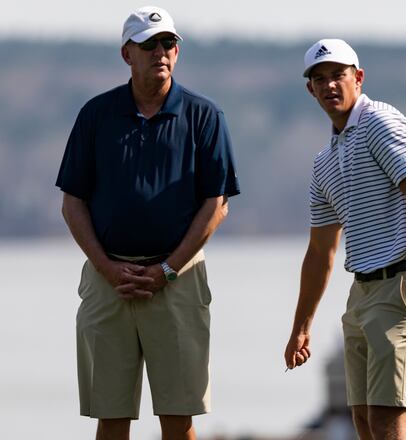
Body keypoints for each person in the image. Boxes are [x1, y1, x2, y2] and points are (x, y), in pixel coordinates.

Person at [55, 6, 240, 440]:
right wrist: (106, 267)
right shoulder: (96, 115)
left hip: (178, 281)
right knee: (111, 416)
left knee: (179, 419)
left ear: (178, 51)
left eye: (168, 44)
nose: (161, 52)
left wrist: (167, 269)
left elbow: (216, 204)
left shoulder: (205, 116)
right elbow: (72, 202)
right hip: (108, 281)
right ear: (127, 54)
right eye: (149, 45)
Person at [284, 38, 406, 440]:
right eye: (319, 79)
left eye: (338, 75)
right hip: (361, 295)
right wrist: (301, 326)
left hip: (403, 285)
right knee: (363, 421)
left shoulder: (380, 122)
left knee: (388, 422)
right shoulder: (324, 162)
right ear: (310, 89)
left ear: (358, 78)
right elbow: (321, 251)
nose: (329, 86)